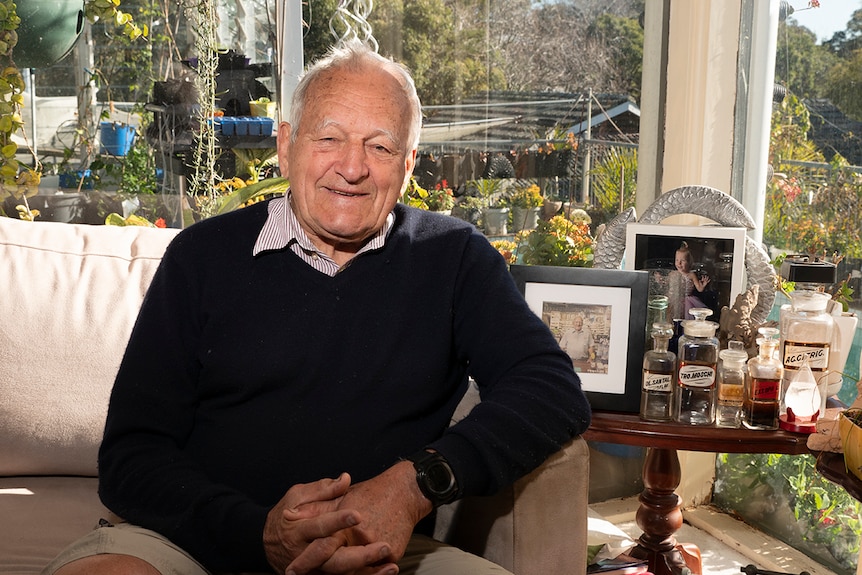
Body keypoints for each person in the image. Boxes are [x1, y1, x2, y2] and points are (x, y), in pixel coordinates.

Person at [43, 41, 590, 575]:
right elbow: (130, 456)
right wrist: (258, 533)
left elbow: (549, 387)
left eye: (380, 147)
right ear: (286, 145)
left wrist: (415, 485)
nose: (351, 168)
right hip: (194, 544)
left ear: (409, 163)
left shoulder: (455, 259)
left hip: (376, 550)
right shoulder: (201, 258)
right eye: (329, 138)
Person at [667, 240, 710, 321]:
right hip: (673, 299)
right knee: (670, 315)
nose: (679, 263)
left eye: (682, 261)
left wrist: (703, 285)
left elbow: (699, 289)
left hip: (687, 301)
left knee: (686, 318)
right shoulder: (673, 273)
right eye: (677, 260)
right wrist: (659, 279)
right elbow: (666, 283)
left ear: (689, 262)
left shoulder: (691, 275)